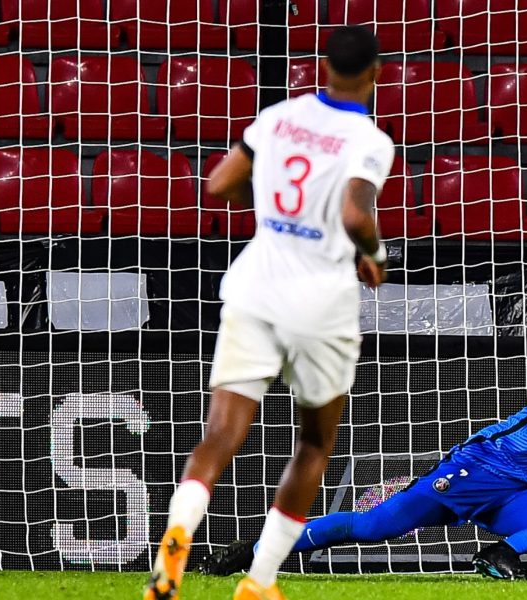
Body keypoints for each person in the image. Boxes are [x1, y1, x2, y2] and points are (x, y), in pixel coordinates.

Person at [143, 25, 394, 600]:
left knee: (220, 434)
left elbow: (220, 181)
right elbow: (357, 215)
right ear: (376, 72)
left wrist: (271, 213)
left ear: (323, 67)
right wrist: (373, 252)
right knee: (313, 444)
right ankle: (258, 582)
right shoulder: (368, 139)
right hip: (319, 301)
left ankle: (174, 545)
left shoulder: (280, 116)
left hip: (255, 285)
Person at [196, 322, 527, 581]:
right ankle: (261, 547)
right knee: (374, 527)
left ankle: (502, 553)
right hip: (479, 470)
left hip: (524, 499)